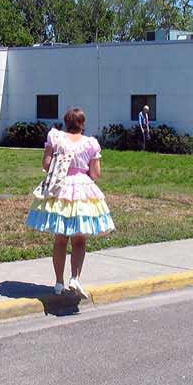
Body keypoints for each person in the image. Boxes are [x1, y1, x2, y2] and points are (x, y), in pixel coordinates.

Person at [27, 108, 115, 295]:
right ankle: (75, 278)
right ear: (82, 123)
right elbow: (95, 174)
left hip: (60, 188)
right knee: (79, 240)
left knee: (60, 240)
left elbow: (46, 164)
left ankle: (59, 283)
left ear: (66, 122)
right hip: (82, 189)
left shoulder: (56, 138)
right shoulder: (90, 143)